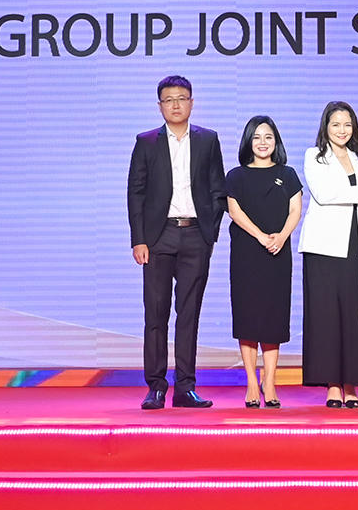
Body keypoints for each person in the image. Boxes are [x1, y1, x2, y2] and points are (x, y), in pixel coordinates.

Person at [127, 75, 226, 410]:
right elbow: (135, 193)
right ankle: (156, 386)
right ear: (160, 106)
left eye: (181, 98)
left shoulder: (208, 140)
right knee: (156, 314)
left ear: (192, 103)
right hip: (158, 237)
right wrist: (139, 239)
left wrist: (210, 233)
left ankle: (185, 387)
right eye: (168, 100)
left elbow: (217, 188)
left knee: (189, 314)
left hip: (196, 235)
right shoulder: (146, 142)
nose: (175, 105)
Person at [299, 101, 358, 409]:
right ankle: (332, 384)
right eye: (336, 124)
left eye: (347, 124)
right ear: (326, 127)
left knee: (350, 315)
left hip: (351, 245)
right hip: (322, 246)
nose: (342, 130)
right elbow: (324, 195)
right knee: (325, 316)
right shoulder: (314, 156)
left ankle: (350, 384)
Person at [225, 116, 303, 409]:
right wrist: (260, 236)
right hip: (247, 253)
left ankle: (269, 382)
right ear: (248, 141)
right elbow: (234, 211)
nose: (262, 142)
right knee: (248, 317)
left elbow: (295, 210)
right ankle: (251, 382)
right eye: (256, 137)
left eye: (268, 137)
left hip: (277, 252)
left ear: (276, 141)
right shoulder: (236, 176)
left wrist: (281, 236)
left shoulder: (288, 174)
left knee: (273, 318)